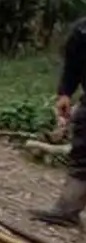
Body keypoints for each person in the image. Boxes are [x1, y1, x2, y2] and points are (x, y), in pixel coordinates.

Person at [30, 17, 86, 226]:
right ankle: (68, 209)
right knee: (82, 153)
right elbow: (73, 64)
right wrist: (64, 93)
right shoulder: (82, 30)